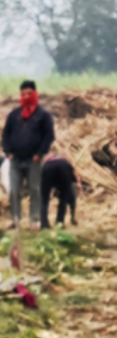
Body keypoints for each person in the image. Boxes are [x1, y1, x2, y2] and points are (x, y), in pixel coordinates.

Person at [2, 80, 54, 231]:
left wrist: (40, 153)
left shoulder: (43, 115)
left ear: (35, 94)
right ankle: (16, 220)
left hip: (34, 160)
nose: (26, 96)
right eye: (23, 94)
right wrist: (8, 151)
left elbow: (48, 136)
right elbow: (6, 134)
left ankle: (34, 220)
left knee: (34, 190)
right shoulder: (14, 115)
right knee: (14, 190)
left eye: (29, 94)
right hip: (15, 159)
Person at [40, 153, 80, 229]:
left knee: (44, 199)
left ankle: (44, 225)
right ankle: (59, 222)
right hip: (64, 168)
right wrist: (78, 183)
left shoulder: (47, 160)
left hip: (48, 167)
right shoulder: (65, 161)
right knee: (63, 199)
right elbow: (74, 175)